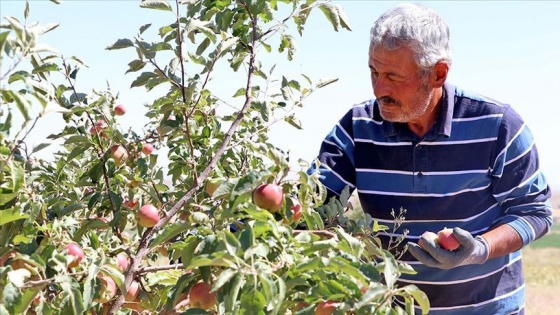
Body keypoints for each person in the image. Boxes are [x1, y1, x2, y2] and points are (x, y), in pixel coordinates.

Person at [308, 3, 553, 314]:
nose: (379, 88)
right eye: (373, 71)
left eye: (393, 76)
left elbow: (534, 214)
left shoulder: (498, 125)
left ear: (438, 74)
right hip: (391, 308)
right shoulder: (358, 127)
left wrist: (479, 249)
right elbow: (313, 203)